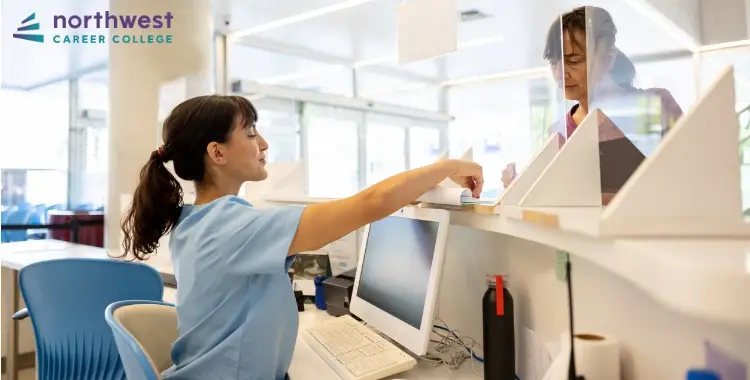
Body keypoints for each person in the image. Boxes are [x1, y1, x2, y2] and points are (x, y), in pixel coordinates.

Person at [118, 95, 483, 380]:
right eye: (249, 134)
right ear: (217, 153)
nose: (263, 144)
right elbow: (371, 204)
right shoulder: (228, 226)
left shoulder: (197, 220)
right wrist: (448, 167)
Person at [501, 6, 683, 188]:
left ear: (608, 57)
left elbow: (691, 171)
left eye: (573, 61)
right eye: (554, 63)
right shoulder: (557, 133)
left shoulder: (655, 105)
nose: (560, 74)